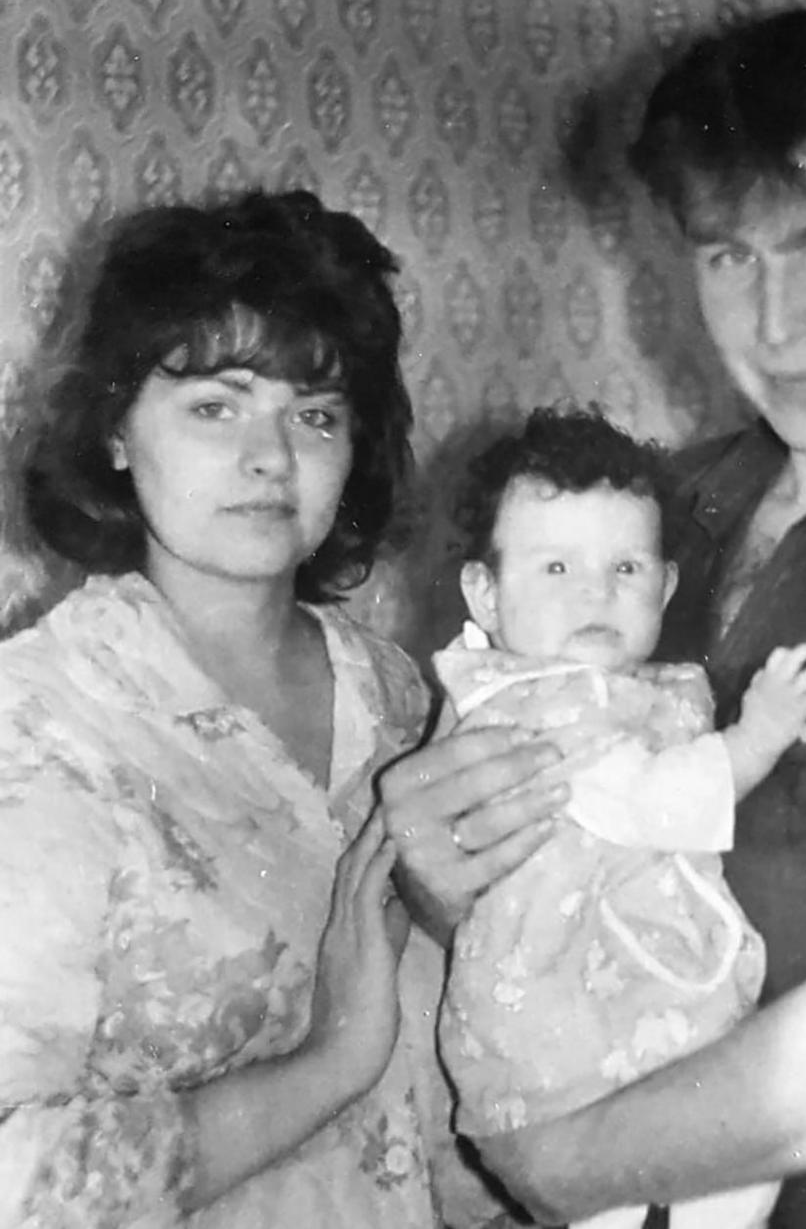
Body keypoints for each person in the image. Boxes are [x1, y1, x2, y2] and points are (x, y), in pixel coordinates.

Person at [380, 2, 806, 1229]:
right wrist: (440, 867)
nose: (776, 321)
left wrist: (559, 1161)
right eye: (730, 255)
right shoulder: (644, 514)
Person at [0, 189, 499, 1228]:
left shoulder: (404, 697)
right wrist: (331, 1060)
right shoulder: (39, 723)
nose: (271, 456)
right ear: (118, 431)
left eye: (315, 415)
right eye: (216, 405)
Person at [432, 406, 806, 1229]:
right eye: (555, 568)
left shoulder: (650, 686)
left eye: (626, 567)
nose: (595, 591)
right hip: (563, 1015)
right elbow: (646, 797)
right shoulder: (527, 698)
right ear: (486, 590)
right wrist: (753, 739)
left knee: (739, 1158)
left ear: (664, 587)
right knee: (622, 1192)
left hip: (646, 987)